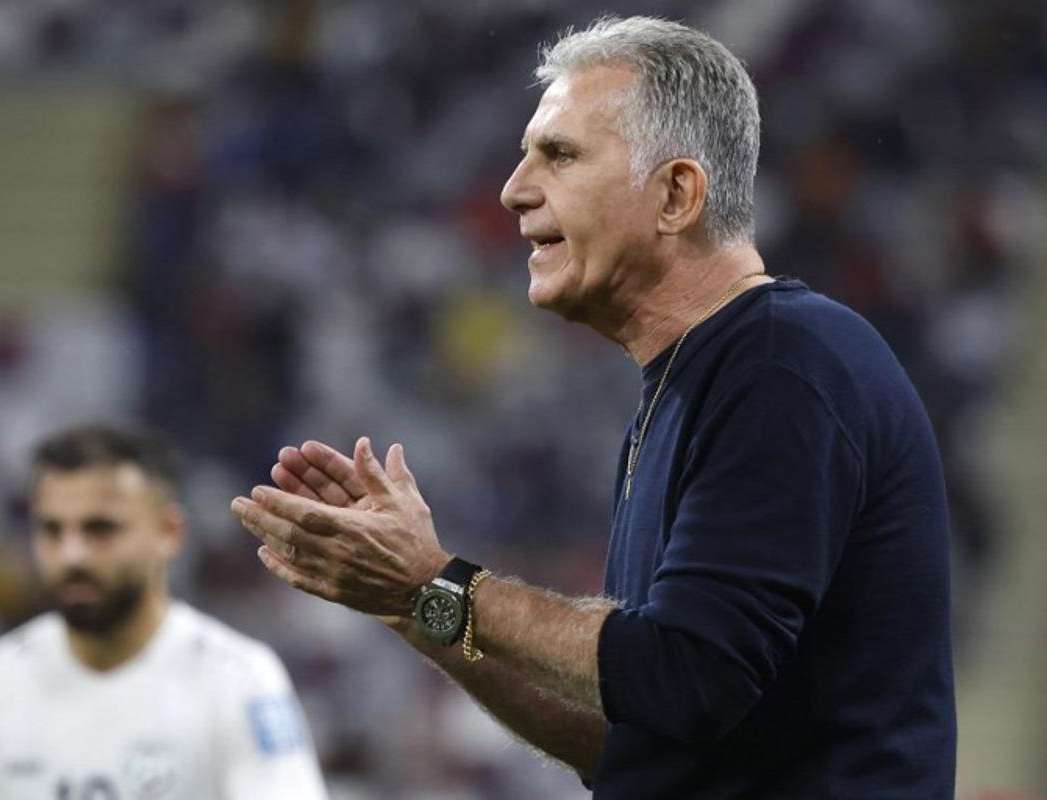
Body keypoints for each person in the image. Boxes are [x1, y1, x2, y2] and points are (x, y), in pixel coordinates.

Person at [231, 15, 956, 799]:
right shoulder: (692, 383)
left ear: (677, 194)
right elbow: (641, 740)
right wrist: (418, 611)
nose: (514, 191)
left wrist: (433, 581)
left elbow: (686, 673)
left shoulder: (783, 365)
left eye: (561, 155)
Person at [0, 424, 327, 800]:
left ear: (168, 532)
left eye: (100, 529)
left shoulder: (238, 680)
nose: (71, 554)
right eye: (52, 530)